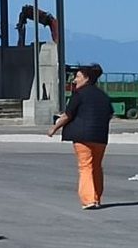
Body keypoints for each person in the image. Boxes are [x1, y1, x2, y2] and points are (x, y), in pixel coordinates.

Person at [47, 64, 113, 209]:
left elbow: (67, 115)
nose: (75, 80)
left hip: (82, 136)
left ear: (87, 78)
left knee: (85, 166)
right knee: (96, 167)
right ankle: (96, 198)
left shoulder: (79, 94)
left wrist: (54, 128)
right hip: (100, 136)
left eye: (77, 77)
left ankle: (88, 199)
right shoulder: (103, 96)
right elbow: (109, 114)